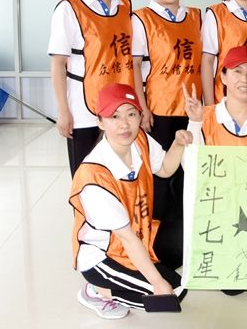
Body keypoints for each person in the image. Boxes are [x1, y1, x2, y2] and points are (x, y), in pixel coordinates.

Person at [69, 83, 192, 319]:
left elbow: (165, 169)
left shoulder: (140, 140)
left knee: (179, 257)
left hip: (137, 238)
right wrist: (158, 282)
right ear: (100, 122)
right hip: (103, 255)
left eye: (131, 114)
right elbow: (125, 237)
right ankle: (96, 290)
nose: (124, 124)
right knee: (172, 293)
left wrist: (178, 144)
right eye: (114, 116)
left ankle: (131, 281)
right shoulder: (95, 175)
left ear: (140, 116)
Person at [183, 45, 247, 299]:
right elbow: (190, 166)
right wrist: (194, 123)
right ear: (223, 77)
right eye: (237, 71)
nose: (244, 79)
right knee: (231, 287)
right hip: (220, 206)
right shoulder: (204, 116)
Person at [131, 0, 202, 268]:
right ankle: (159, 246)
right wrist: (143, 108)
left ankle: (187, 241)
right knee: (161, 178)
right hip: (159, 110)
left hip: (192, 111)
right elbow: (135, 66)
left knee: (189, 176)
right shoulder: (142, 18)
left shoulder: (196, 17)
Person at [48, 0, 135, 176]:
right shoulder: (69, 8)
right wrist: (63, 110)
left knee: (120, 172)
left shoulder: (125, 7)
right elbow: (58, 63)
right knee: (86, 175)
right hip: (83, 109)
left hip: (121, 108)